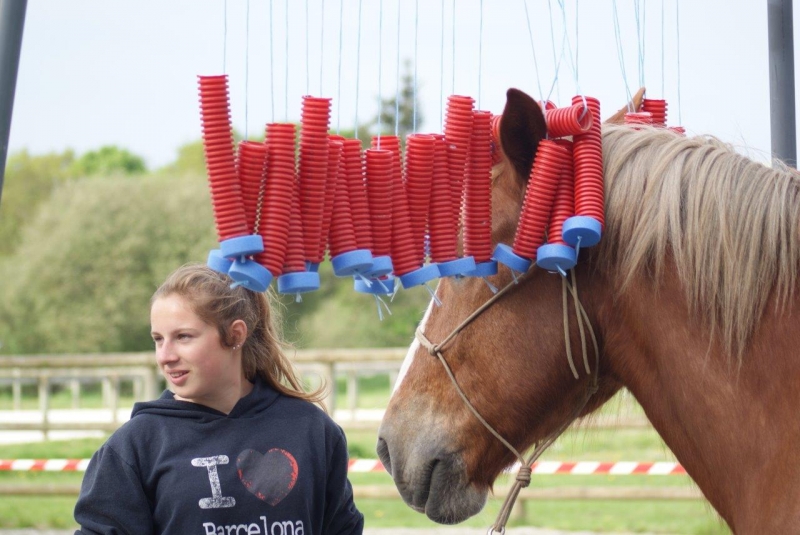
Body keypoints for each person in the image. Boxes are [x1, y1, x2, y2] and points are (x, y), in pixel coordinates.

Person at [74, 263, 364, 534]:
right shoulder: (135, 447)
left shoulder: (311, 429)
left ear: (235, 335)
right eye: (158, 339)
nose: (165, 356)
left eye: (183, 336)